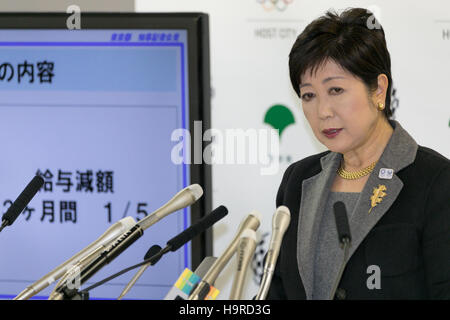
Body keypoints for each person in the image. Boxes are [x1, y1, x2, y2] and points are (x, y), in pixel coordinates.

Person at [266, 7, 450, 300]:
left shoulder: (436, 181)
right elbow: (276, 291)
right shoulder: (298, 180)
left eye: (336, 90)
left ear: (378, 90)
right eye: (309, 95)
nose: (323, 112)